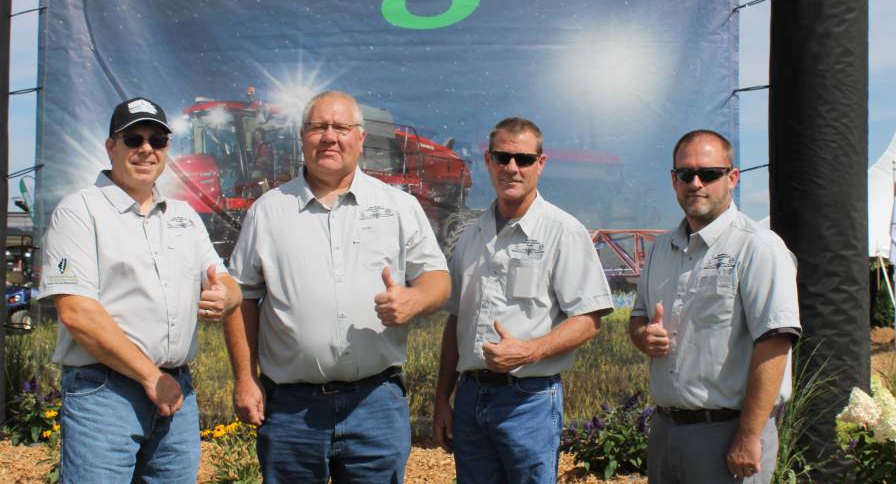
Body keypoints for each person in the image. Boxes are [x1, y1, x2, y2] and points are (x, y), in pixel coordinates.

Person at [225, 90, 450, 483]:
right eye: (318, 127)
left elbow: (438, 280)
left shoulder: (397, 206)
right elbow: (242, 297)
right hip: (291, 409)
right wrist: (245, 379)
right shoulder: (269, 211)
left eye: (341, 127)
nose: (330, 136)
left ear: (360, 139)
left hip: (375, 404)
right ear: (303, 137)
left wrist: (416, 299)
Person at [38, 96, 242, 482]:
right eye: (133, 139)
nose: (146, 149)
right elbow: (77, 312)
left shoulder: (184, 216)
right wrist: (151, 377)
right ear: (111, 147)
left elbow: (224, 281)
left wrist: (226, 297)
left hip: (177, 389)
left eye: (157, 140)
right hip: (105, 393)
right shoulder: (79, 211)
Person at [433, 117, 615, 483]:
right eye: (502, 157)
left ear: (541, 164)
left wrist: (529, 352)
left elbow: (589, 319)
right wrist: (442, 399)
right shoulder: (470, 237)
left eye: (524, 159)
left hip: (528, 400)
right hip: (470, 400)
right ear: (488, 160)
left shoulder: (562, 232)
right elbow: (456, 321)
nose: (512, 168)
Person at [629, 129, 800, 483]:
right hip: (666, 430)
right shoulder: (662, 249)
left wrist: (749, 436)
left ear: (732, 178)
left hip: (728, 433)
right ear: (673, 180)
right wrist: (643, 335)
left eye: (709, 173)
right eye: (684, 174)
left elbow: (775, 343)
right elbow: (638, 316)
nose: (695, 183)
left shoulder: (757, 247)